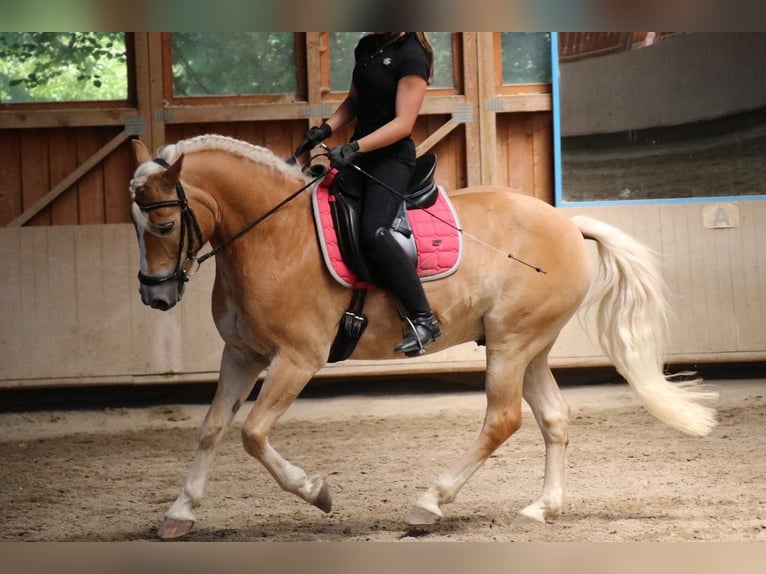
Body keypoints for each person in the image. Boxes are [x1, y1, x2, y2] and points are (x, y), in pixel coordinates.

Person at [302, 32, 441, 356]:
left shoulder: (412, 54)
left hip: (391, 159)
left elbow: (404, 123)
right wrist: (325, 129)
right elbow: (353, 102)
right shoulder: (366, 46)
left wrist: (354, 147)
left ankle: (424, 318)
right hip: (359, 155)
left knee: (375, 232)